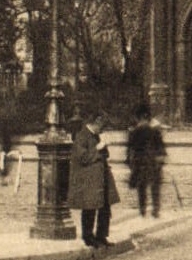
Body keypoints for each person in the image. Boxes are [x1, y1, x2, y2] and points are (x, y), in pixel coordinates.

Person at [68, 111, 119, 247]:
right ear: (96, 121)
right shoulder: (81, 136)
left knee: (105, 207)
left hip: (101, 177)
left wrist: (102, 146)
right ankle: (88, 237)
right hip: (89, 179)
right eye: (102, 126)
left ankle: (102, 236)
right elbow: (82, 158)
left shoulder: (96, 135)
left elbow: (105, 155)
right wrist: (98, 147)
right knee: (89, 207)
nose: (103, 129)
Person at [127, 102, 166, 217]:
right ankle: (155, 209)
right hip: (153, 161)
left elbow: (130, 149)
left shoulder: (134, 131)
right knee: (155, 186)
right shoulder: (154, 130)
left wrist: (130, 163)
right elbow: (160, 147)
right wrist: (161, 159)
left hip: (140, 162)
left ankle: (142, 209)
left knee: (141, 186)